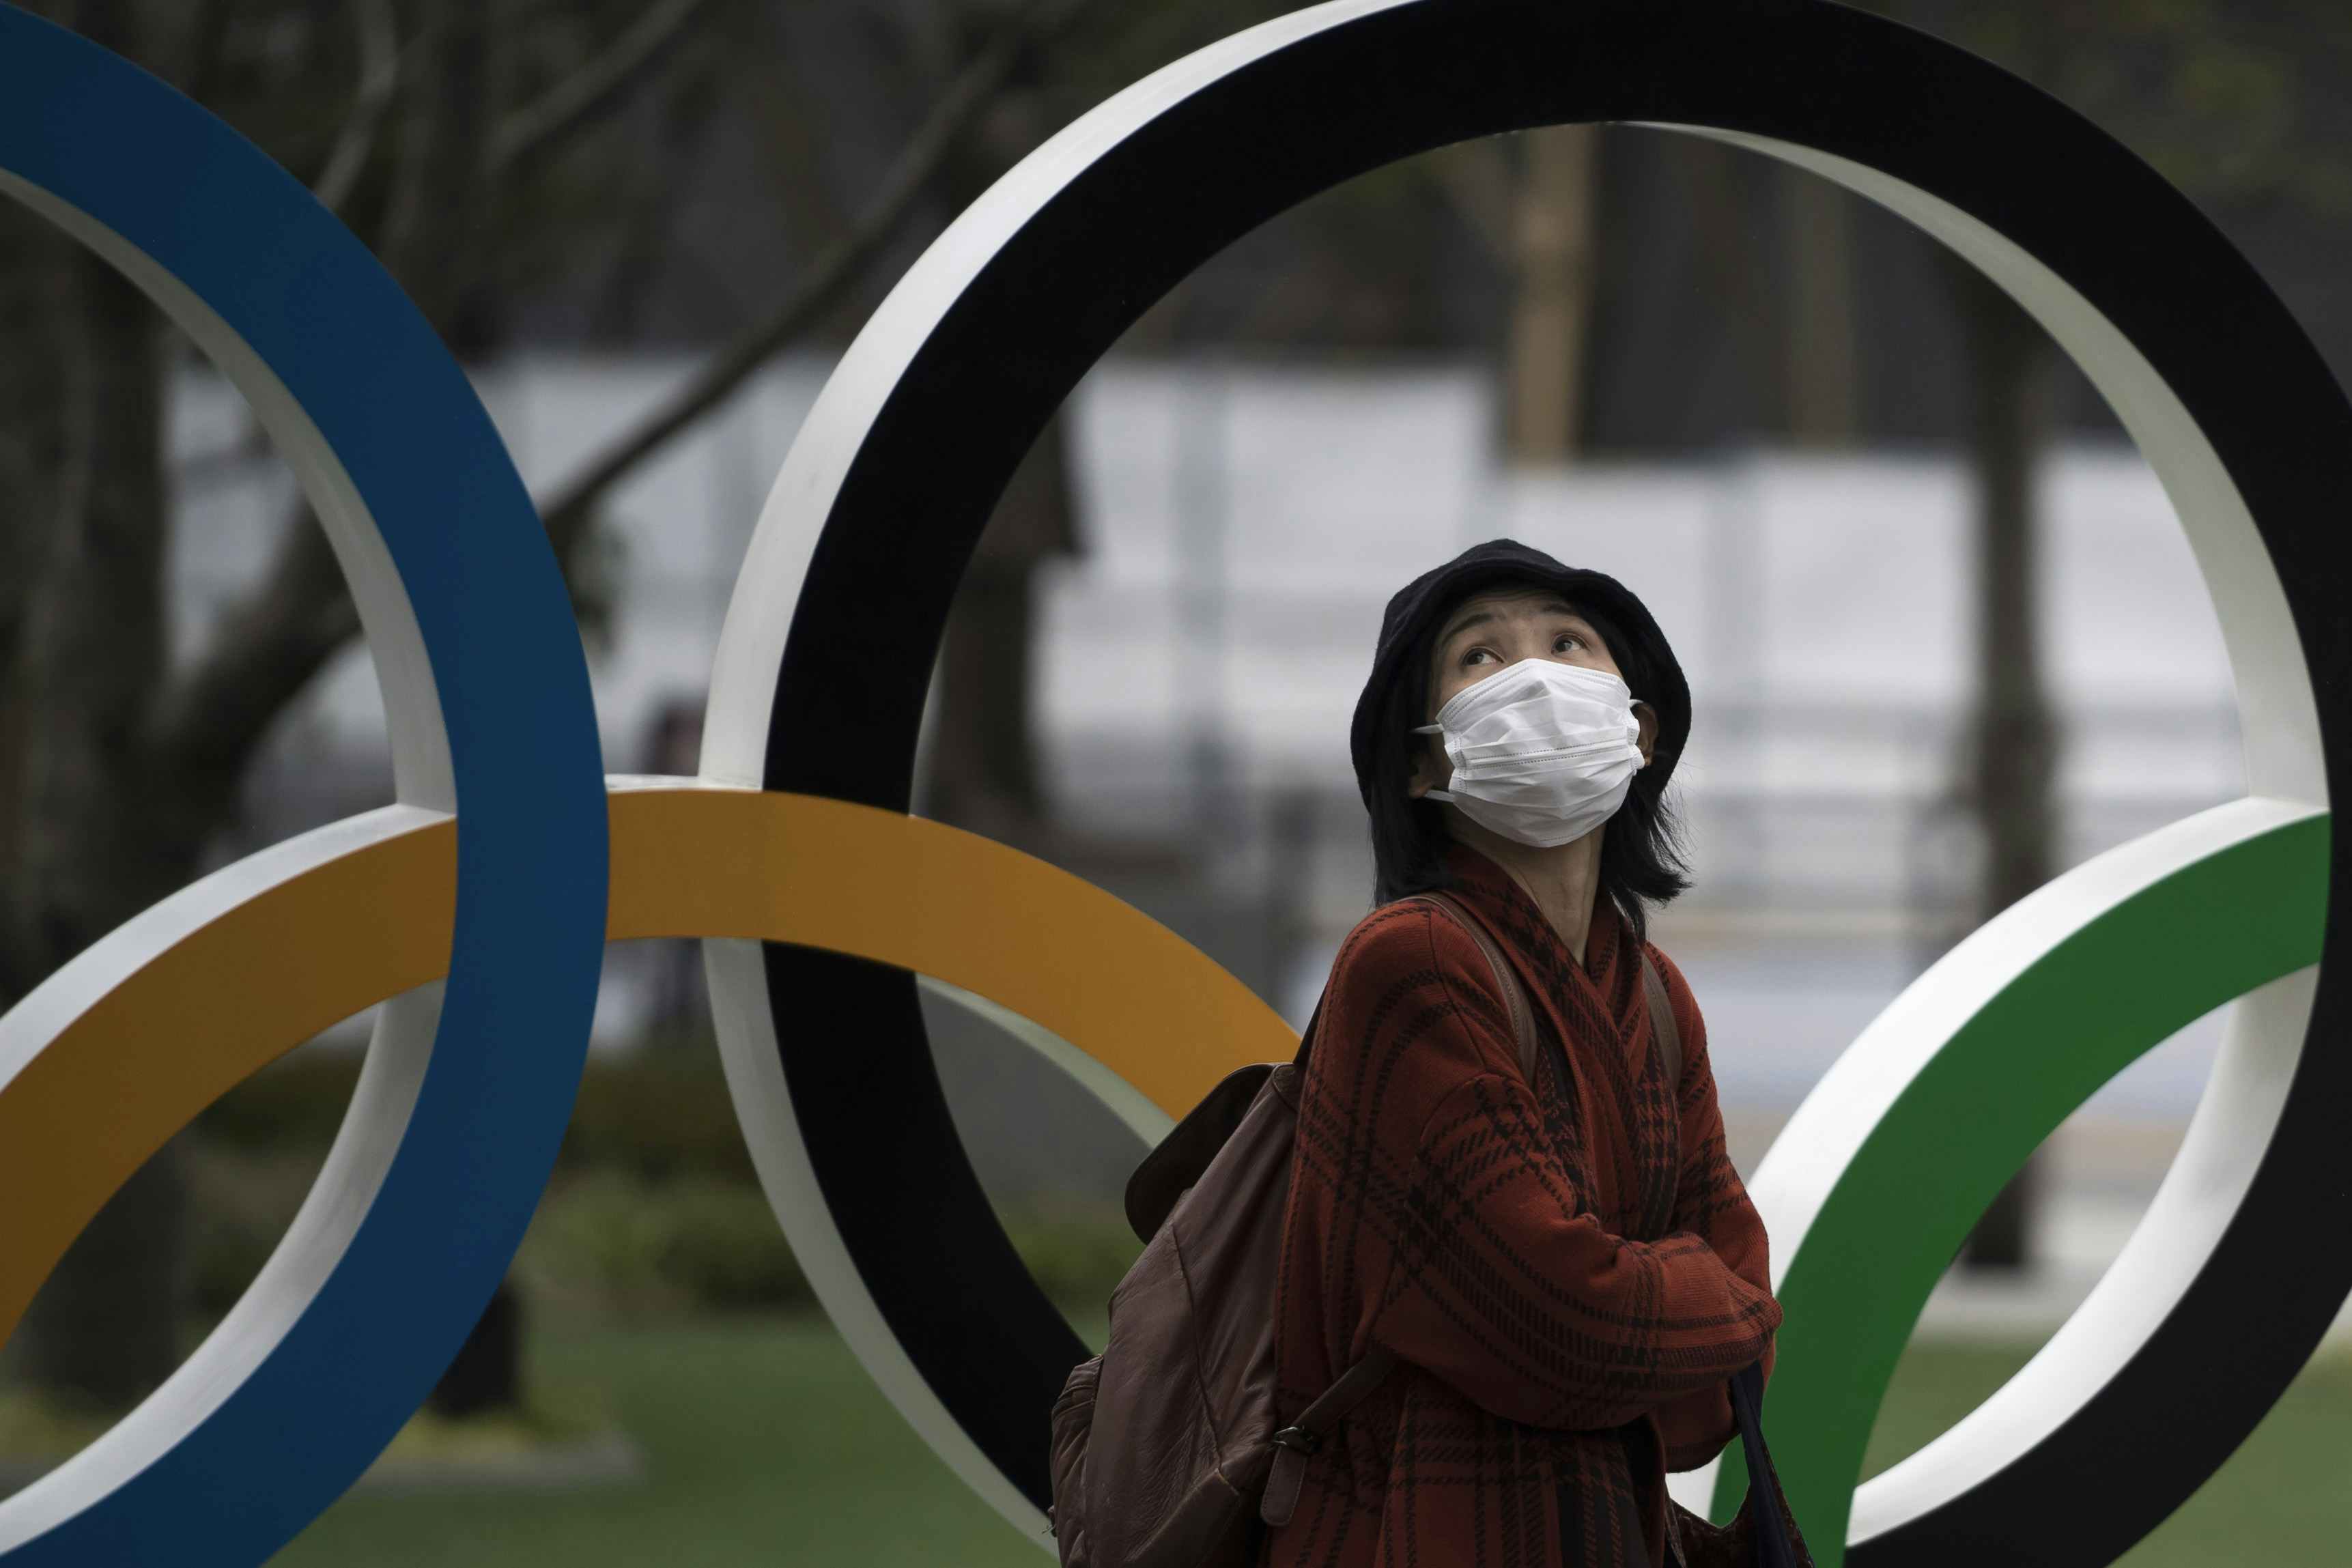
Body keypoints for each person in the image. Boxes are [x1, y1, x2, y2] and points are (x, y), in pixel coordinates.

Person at [1264, 539, 1781, 1568]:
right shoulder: (1408, 961)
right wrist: (1692, 1300)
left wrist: (1661, 1308)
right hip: (1415, 1533)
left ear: (1637, 731)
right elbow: (1557, 1317)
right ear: (1423, 759)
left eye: (1566, 641)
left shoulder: (1655, 992)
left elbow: (1721, 1380)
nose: (1534, 674)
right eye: (1479, 658)